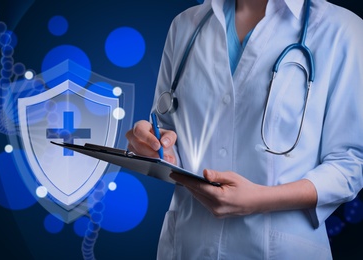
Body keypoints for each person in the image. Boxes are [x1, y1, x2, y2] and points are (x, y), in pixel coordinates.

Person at [126, 0, 363, 258]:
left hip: (279, 249)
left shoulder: (341, 29)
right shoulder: (186, 24)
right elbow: (168, 129)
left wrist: (262, 199)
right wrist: (155, 146)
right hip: (189, 245)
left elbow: (351, 162)